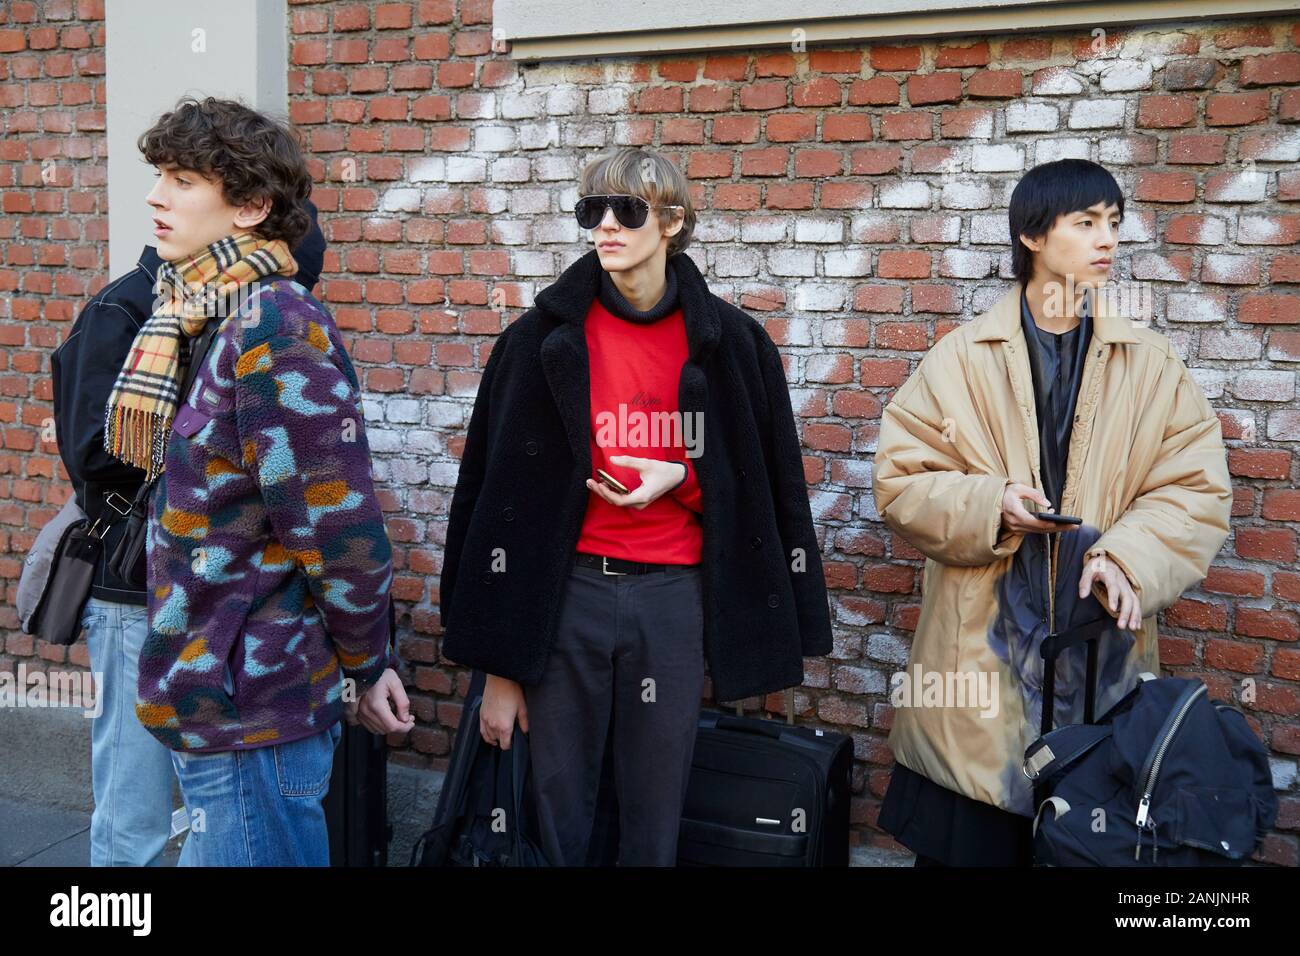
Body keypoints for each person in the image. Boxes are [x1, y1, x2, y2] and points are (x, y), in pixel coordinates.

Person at [439, 146, 833, 866]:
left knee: (655, 816)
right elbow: (491, 508)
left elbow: (765, 491)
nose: (607, 226)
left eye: (628, 210)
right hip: (568, 600)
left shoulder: (731, 344)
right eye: (593, 211)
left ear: (674, 221)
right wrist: (497, 669)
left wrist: (677, 480)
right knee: (557, 809)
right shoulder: (539, 342)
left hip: (673, 599)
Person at [872, 159, 1232, 866]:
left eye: (1114, 223)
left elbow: (1194, 490)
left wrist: (1124, 554)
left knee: (1087, 849)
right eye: (1086, 222)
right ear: (1032, 235)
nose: (1107, 240)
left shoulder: (1151, 364)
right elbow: (902, 482)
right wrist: (991, 505)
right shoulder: (960, 359)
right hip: (981, 665)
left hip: (1103, 668)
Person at [110, 96, 410, 866]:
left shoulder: (274, 326)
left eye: (182, 180)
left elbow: (337, 528)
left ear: (250, 206)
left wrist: (366, 664)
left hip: (254, 701)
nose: (156, 196)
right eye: (160, 176)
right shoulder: (196, 314)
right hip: (206, 691)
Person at [51, 195, 326, 866]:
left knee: (211, 816)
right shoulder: (128, 311)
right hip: (133, 592)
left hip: (203, 604)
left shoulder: (234, 318)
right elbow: (89, 450)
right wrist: (202, 440)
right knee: (133, 816)